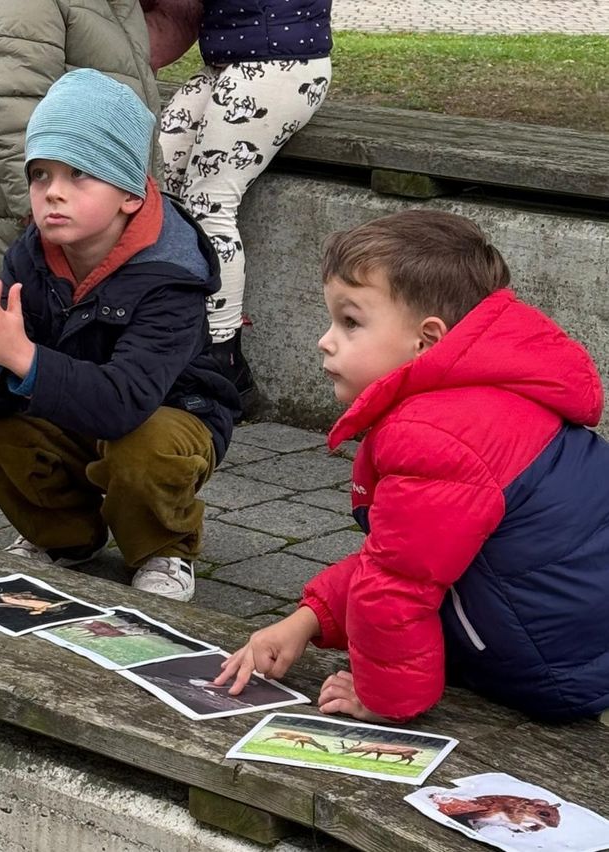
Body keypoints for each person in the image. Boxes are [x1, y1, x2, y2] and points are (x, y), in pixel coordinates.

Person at [215, 209, 609, 723]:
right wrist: (308, 620)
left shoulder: (433, 435)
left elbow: (396, 586)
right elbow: (410, 553)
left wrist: (382, 700)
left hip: (552, 674)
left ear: (428, 339)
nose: (325, 340)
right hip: (574, 643)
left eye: (350, 322)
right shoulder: (489, 401)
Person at [0, 69, 239, 602]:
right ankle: (65, 536)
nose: (53, 192)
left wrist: (21, 356)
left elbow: (125, 403)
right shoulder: (27, 257)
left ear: (128, 193)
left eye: (79, 175)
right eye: (40, 175)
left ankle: (164, 547)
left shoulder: (171, 273)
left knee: (143, 449)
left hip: (170, 415)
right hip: (71, 410)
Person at [151, 0, 333, 408]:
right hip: (228, 61)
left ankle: (223, 360)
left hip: (282, 63)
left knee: (208, 202)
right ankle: (171, 335)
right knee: (157, 182)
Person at [0, 0, 163, 280]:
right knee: (29, 315)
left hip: (98, 225)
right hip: (50, 235)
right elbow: (13, 104)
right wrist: (38, 211)